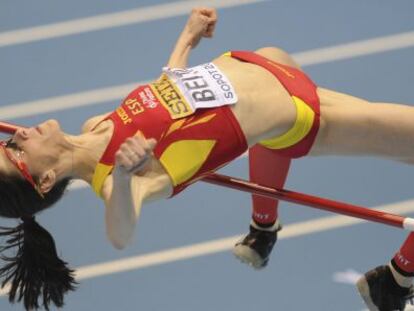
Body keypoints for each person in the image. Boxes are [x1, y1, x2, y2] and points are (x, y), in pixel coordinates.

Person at [0, 7, 413, 311]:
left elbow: (172, 94)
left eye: (7, 142)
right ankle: (396, 281)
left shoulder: (95, 124)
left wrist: (186, 39)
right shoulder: (119, 176)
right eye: (14, 152)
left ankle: (262, 230)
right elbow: (120, 234)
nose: (17, 135)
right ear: (46, 179)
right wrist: (125, 178)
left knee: (285, 137)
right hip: (303, 114)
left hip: (261, 63)